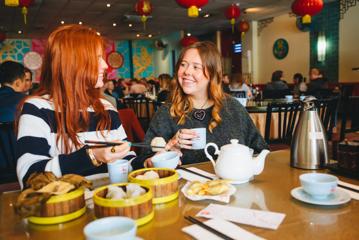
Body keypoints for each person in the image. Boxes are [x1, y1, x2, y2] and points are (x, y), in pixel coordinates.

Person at [16, 25, 135, 189]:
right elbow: (29, 177)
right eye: (97, 58)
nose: (105, 66)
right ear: (73, 63)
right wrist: (92, 156)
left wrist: (151, 159)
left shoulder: (105, 107)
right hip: (65, 208)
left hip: (109, 200)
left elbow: (126, 158)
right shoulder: (37, 108)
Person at [131, 41, 268, 169]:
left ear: (212, 73)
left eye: (196, 67)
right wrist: (164, 153)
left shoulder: (232, 107)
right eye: (183, 65)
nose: (186, 72)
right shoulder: (167, 111)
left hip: (233, 188)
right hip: (185, 191)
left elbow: (260, 149)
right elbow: (142, 159)